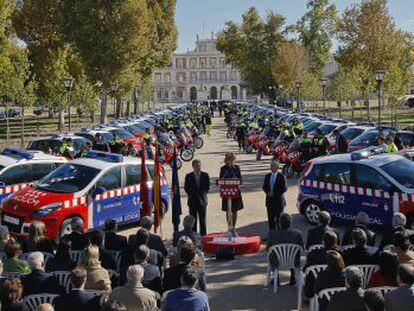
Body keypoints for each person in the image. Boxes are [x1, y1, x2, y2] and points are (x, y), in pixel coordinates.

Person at [267, 213, 303, 286]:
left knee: (272, 255)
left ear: (279, 223)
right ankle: (293, 277)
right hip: (293, 260)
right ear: (290, 223)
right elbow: (301, 247)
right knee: (294, 253)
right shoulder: (297, 234)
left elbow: (268, 248)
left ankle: (276, 279)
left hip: (277, 261)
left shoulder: (272, 234)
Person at [184, 159, 211, 236]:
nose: (198, 167)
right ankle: (193, 236)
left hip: (202, 201)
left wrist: (202, 194)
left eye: (199, 166)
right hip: (192, 201)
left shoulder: (205, 175)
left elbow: (207, 187)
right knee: (193, 222)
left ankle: (203, 237)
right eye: (196, 166)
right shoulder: (188, 176)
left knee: (203, 221)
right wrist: (193, 194)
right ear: (193, 167)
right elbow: (186, 188)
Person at [219, 152, 244, 231]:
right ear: (227, 160)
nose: (232, 161)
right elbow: (220, 180)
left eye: (233, 159)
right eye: (230, 160)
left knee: (235, 210)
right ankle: (229, 226)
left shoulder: (237, 168)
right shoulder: (223, 169)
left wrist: (236, 180)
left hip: (235, 192)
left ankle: (233, 227)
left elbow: (240, 179)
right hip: (226, 192)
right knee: (228, 210)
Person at [262, 159, 287, 230]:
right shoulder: (267, 176)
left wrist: (274, 194)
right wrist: (268, 192)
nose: (272, 167)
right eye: (271, 166)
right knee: (270, 220)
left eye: (273, 166)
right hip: (269, 201)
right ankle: (272, 235)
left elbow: (284, 188)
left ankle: (279, 235)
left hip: (278, 201)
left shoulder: (282, 176)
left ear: (277, 167)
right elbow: (264, 187)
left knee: (279, 220)